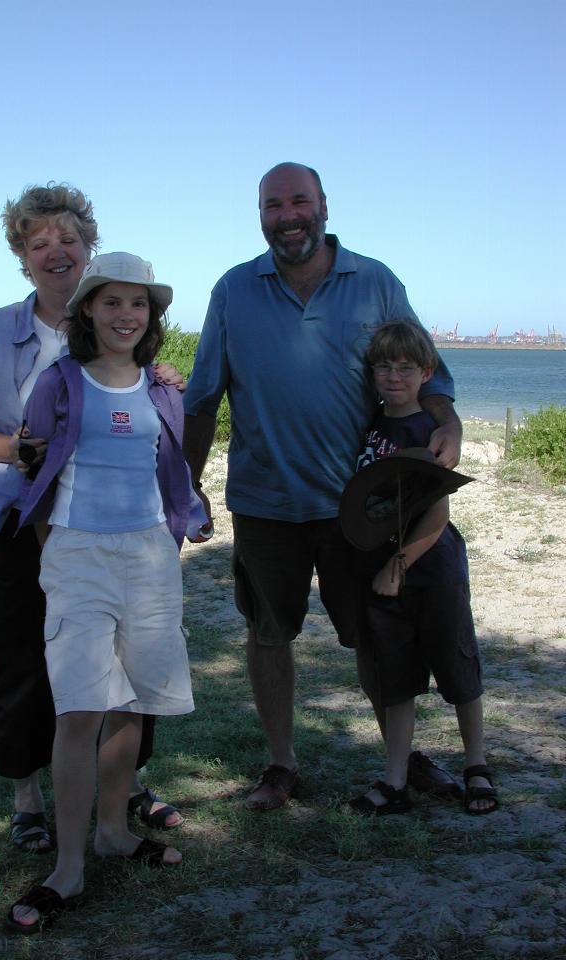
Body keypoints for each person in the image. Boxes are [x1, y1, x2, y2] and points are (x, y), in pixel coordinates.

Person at [183, 161, 464, 811]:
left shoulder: (374, 282)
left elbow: (431, 373)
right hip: (264, 503)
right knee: (268, 633)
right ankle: (281, 764)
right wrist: (188, 484)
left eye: (299, 201)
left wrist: (447, 424)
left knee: (375, 635)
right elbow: (202, 399)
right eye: (274, 205)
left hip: (358, 505)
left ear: (325, 207)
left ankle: (402, 757)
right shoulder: (233, 290)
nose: (289, 216)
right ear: (261, 215)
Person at [0, 184, 186, 855]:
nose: (56, 251)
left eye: (69, 239)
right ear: (22, 257)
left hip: (118, 526)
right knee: (24, 661)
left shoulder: (120, 323)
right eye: (38, 242)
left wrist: (160, 379)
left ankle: (124, 788)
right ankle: (27, 797)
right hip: (22, 524)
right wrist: (15, 450)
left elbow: (149, 415)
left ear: (89, 251)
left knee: (123, 662)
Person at [6, 252, 208, 933]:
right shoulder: (61, 381)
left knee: (133, 705)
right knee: (80, 710)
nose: (127, 315)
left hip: (150, 554)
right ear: (88, 308)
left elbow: (174, 466)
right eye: (113, 301)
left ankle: (114, 832)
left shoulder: (162, 386)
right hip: (78, 555)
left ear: (151, 317)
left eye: (140, 304)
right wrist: (54, 552)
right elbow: (33, 464)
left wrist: (188, 523)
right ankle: (68, 865)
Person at [346, 321, 498, 817]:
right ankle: (395, 780)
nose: (393, 376)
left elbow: (437, 511)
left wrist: (400, 562)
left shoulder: (429, 432)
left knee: (457, 668)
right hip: (379, 569)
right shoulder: (370, 423)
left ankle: (476, 765)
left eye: (406, 368)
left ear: (426, 372)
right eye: (384, 367)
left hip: (432, 568)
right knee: (395, 676)